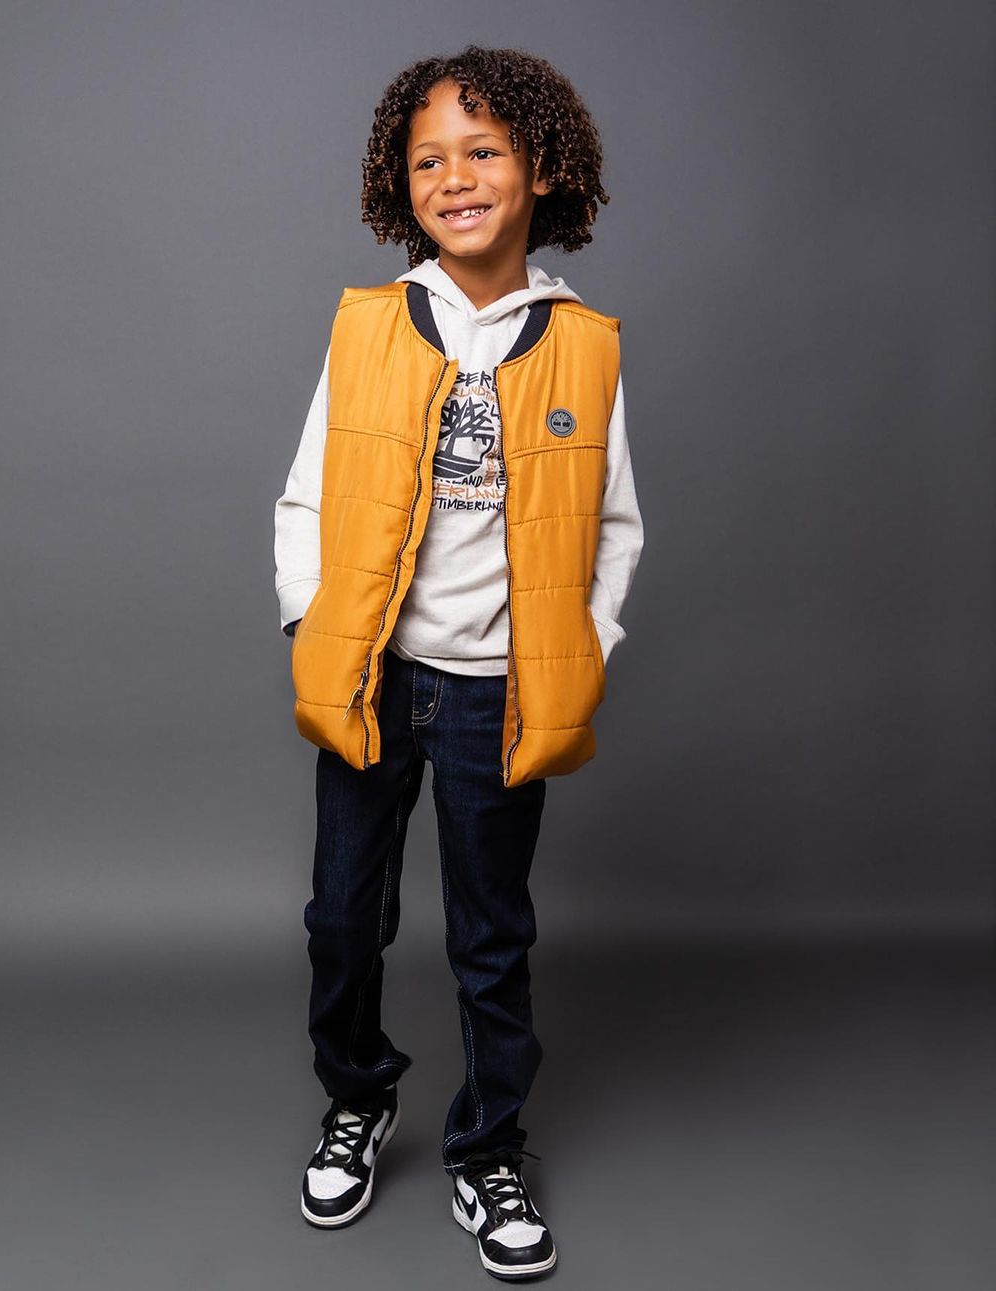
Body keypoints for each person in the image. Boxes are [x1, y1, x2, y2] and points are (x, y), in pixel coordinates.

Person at [273, 44, 644, 1281]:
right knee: (342, 917)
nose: (456, 177)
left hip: (501, 693)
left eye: (483, 151)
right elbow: (306, 494)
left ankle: (489, 1148)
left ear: (542, 171)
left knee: (492, 939)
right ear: (402, 184)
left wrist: (586, 646)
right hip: (374, 676)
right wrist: (310, 622)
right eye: (428, 158)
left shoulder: (583, 344)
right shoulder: (369, 326)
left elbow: (616, 523)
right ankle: (358, 1095)